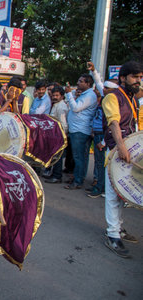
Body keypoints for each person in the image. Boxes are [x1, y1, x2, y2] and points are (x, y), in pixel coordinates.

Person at [102, 61, 141, 258]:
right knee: (112, 194)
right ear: (123, 78)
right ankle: (112, 234)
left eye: (141, 78)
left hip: (128, 150)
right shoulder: (112, 97)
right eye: (135, 77)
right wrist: (121, 147)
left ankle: (118, 228)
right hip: (116, 150)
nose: (138, 81)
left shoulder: (132, 98)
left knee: (122, 193)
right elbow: (114, 123)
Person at [64, 73, 97, 189]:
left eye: (81, 81)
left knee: (79, 157)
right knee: (79, 157)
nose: (78, 83)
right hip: (77, 129)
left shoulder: (89, 96)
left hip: (80, 130)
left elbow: (76, 108)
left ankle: (78, 181)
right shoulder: (85, 94)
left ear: (88, 84)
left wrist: (68, 93)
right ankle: (78, 178)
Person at [45, 86, 69, 184]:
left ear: (62, 96)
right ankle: (54, 174)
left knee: (58, 157)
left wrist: (61, 135)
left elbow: (63, 124)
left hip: (59, 135)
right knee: (54, 156)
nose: (54, 97)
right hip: (54, 134)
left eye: (57, 95)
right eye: (53, 95)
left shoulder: (61, 107)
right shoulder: (56, 105)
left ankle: (57, 176)